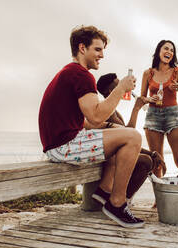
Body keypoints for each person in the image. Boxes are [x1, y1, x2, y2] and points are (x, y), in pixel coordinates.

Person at [38, 25, 144, 228]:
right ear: (82, 48)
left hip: (58, 144)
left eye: (103, 50)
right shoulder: (81, 75)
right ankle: (117, 203)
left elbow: (85, 120)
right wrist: (121, 88)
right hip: (63, 147)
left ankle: (104, 190)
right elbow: (95, 116)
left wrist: (111, 126)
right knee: (134, 137)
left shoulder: (70, 72)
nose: (102, 55)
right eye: (97, 49)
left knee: (121, 133)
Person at [94, 73, 166, 202]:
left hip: (113, 156)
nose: (126, 87)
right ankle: (121, 202)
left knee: (149, 158)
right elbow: (126, 137)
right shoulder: (107, 112)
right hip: (108, 159)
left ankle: (122, 199)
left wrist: (153, 153)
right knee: (146, 161)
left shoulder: (113, 110)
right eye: (120, 84)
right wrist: (136, 108)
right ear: (112, 91)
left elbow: (127, 134)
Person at [141, 40, 178, 177]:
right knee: (157, 163)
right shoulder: (148, 73)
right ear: (159, 51)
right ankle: (160, 199)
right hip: (152, 116)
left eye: (172, 50)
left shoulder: (177, 71)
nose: (169, 52)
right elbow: (142, 98)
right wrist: (149, 99)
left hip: (173, 115)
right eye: (166, 48)